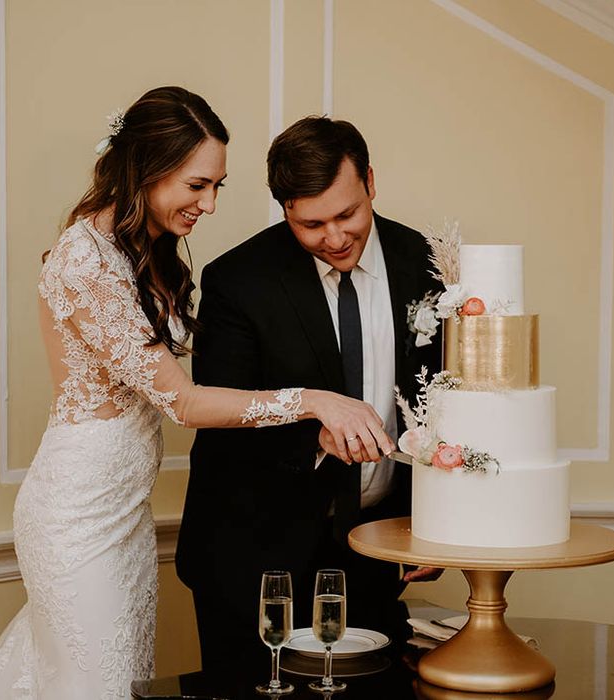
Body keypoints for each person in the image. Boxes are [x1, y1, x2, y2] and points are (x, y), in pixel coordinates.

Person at [0, 90, 392, 699]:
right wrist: (316, 400)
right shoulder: (84, 261)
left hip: (125, 516)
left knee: (108, 679)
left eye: (216, 185)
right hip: (78, 516)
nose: (210, 204)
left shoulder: (136, 249)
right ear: (147, 170)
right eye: (197, 186)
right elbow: (183, 402)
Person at [175, 116, 444, 673]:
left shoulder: (425, 261)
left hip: (375, 550)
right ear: (285, 210)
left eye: (347, 214)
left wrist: (431, 520)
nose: (336, 237)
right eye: (311, 224)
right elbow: (219, 418)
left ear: (369, 181)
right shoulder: (238, 280)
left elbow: (440, 399)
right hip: (253, 557)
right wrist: (315, 437)